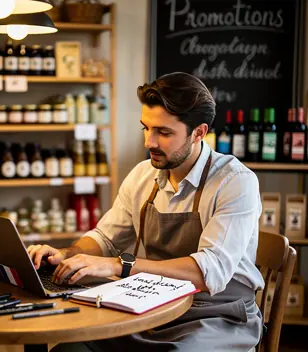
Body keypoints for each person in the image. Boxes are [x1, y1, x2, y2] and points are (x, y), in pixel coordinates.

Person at [27, 72, 264, 352]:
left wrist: (120, 265)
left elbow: (208, 272)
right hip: (150, 308)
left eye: (163, 133)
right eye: (146, 128)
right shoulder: (143, 174)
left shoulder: (234, 181)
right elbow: (106, 238)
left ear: (199, 132)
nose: (148, 142)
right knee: (70, 348)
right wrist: (66, 254)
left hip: (215, 316)